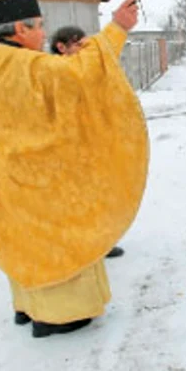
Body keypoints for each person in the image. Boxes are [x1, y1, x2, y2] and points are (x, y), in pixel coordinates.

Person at [0, 0, 149, 338]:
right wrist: (117, 28)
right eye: (40, 25)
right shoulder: (23, 65)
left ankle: (27, 307)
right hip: (40, 182)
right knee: (58, 242)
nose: (44, 34)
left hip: (6, 179)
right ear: (20, 28)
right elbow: (78, 75)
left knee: (23, 244)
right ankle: (59, 316)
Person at [49, 25, 127, 259]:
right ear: (61, 47)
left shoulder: (85, 68)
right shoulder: (53, 70)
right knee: (74, 199)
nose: (84, 51)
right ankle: (78, 245)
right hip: (66, 148)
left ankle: (100, 243)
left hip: (92, 144)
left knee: (98, 195)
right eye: (79, 46)